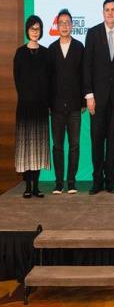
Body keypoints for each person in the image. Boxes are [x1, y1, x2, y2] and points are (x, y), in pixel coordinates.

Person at [83, 0, 114, 194]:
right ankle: (97, 181)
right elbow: (87, 66)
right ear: (103, 12)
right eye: (107, 10)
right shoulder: (93, 33)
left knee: (113, 141)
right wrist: (89, 95)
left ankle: (110, 180)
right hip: (97, 98)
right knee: (97, 140)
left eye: (113, 10)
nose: (110, 13)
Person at [48, 9, 85, 194]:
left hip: (75, 106)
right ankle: (58, 183)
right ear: (57, 26)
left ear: (72, 25)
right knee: (57, 146)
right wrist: (48, 103)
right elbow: (48, 79)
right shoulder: (51, 49)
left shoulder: (79, 47)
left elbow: (84, 76)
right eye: (61, 23)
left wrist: (84, 101)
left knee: (74, 145)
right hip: (55, 107)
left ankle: (71, 182)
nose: (64, 26)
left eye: (67, 22)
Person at [13, 15, 50, 198]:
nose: (35, 32)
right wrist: (27, 96)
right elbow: (17, 79)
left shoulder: (46, 53)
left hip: (41, 107)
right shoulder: (20, 53)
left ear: (41, 31)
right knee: (26, 147)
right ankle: (27, 186)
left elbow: (49, 80)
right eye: (32, 28)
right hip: (25, 107)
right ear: (27, 30)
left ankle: (36, 187)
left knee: (39, 147)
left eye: (38, 28)